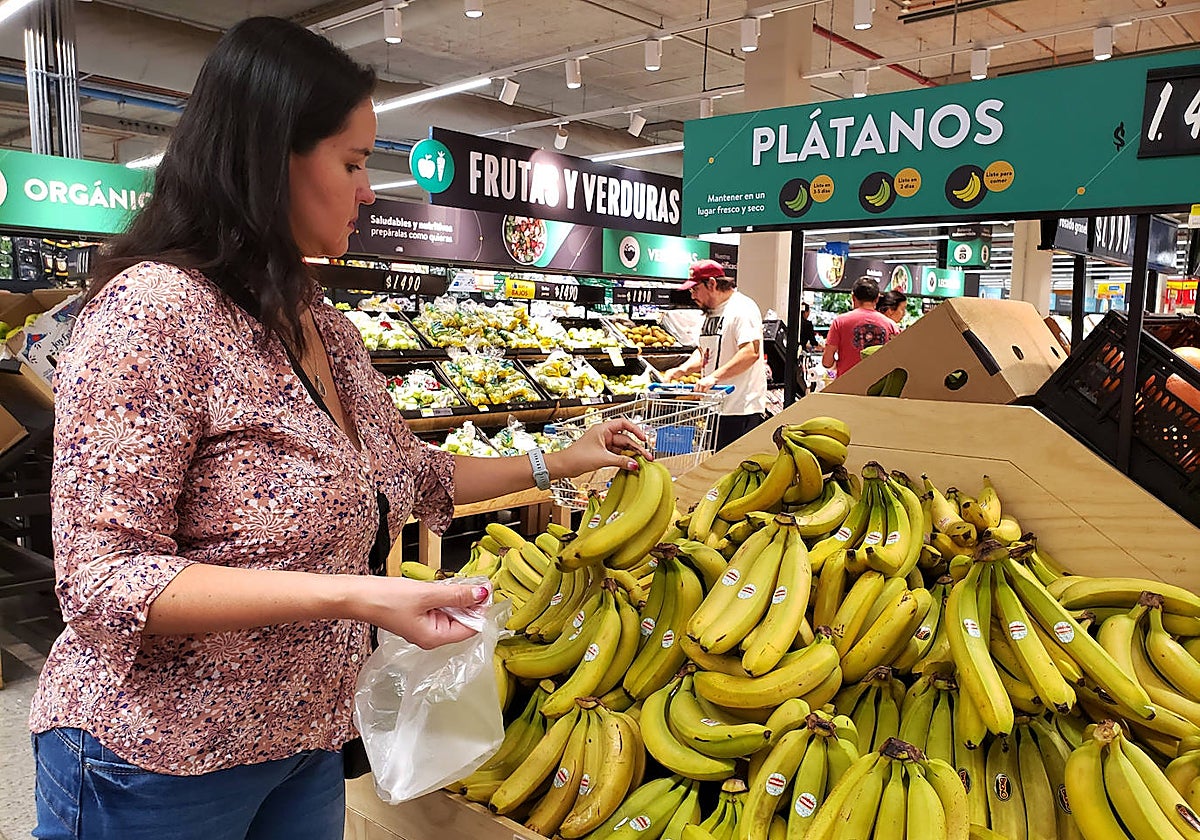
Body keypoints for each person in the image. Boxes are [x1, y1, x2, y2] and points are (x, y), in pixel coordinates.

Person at [29, 18, 649, 840]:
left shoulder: (322, 326)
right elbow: (104, 580)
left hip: (304, 743)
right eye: (353, 162)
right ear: (266, 158)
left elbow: (414, 475)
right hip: (155, 760)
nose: (369, 189)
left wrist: (556, 461)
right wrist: (357, 595)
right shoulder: (154, 314)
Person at [663, 259, 769, 450]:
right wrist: (682, 369)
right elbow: (704, 350)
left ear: (712, 284)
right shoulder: (711, 313)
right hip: (716, 407)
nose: (692, 295)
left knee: (731, 470)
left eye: (695, 289)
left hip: (740, 410)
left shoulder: (742, 308)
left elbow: (750, 352)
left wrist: (713, 377)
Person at [821, 276, 899, 378]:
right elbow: (898, 360)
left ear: (853, 297)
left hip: (846, 385)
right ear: (877, 299)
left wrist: (836, 367)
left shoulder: (839, 322)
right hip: (878, 386)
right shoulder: (891, 326)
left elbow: (827, 361)